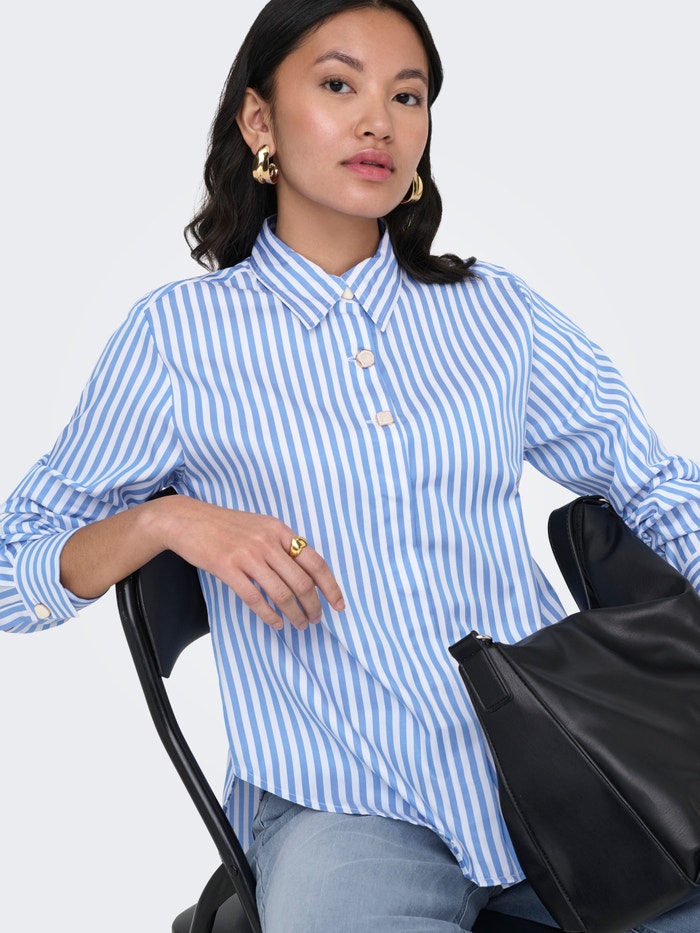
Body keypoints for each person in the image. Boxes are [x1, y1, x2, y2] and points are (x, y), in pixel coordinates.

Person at [1, 0, 699, 930]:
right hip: (340, 802)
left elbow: (650, 485)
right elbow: (12, 569)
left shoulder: (497, 314)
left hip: (558, 767)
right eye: (339, 85)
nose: (379, 121)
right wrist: (167, 521)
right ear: (259, 121)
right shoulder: (177, 338)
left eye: (407, 96)